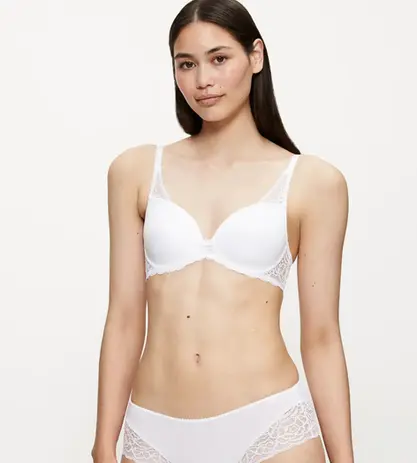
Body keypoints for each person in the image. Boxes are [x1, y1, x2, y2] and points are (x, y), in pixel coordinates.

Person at [91, 0, 354, 462]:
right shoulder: (135, 171)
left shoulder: (313, 183)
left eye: (219, 59)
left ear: (256, 56)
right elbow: (125, 318)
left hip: (271, 428)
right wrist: (103, 443)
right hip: (153, 431)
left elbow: (321, 337)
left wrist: (345, 458)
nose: (202, 80)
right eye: (186, 64)